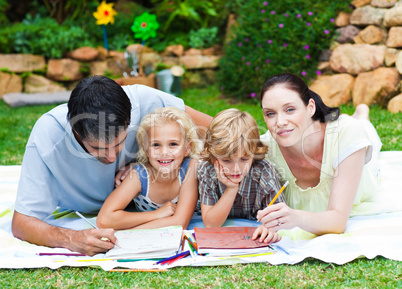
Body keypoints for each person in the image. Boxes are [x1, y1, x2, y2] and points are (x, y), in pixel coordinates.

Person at [11, 75, 212, 256]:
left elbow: (220, 131)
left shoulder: (144, 101)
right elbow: (22, 223)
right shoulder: (47, 136)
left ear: (130, 120)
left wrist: (140, 162)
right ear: (77, 133)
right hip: (110, 214)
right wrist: (71, 238)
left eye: (119, 144)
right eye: (97, 148)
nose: (110, 158)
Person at [257, 73, 382, 235]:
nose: (280, 122)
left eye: (290, 109)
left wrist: (296, 218)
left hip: (363, 172)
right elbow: (222, 139)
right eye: (270, 114)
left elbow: (337, 222)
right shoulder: (265, 147)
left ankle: (362, 115)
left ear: (310, 107)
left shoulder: (347, 134)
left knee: (366, 134)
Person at [97, 107, 200, 230]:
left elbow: (179, 222)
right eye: (156, 145)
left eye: (173, 144)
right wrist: (156, 214)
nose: (164, 152)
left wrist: (130, 232)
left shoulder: (191, 168)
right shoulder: (139, 175)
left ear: (188, 148)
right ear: (146, 150)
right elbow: (104, 220)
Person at [197, 108, 284, 244]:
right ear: (214, 157)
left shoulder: (263, 171)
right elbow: (211, 225)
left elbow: (279, 217)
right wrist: (231, 189)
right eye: (227, 160)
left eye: (244, 159)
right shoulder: (207, 170)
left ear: (253, 154)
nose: (236, 168)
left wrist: (270, 228)